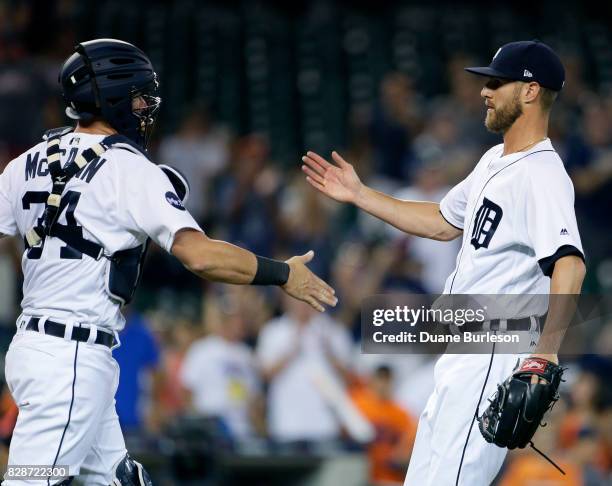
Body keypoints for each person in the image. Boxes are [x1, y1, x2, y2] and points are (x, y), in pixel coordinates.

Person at [0, 38, 336, 486]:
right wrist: (283, 273)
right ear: (114, 98)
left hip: (38, 349)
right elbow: (200, 255)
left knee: (121, 479)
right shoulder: (129, 167)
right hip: (71, 356)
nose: (145, 107)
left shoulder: (26, 162)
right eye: (138, 96)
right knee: (30, 481)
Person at [302, 40, 586, 485]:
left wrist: (544, 353)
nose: (484, 91)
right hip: (463, 347)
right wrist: (360, 195)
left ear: (530, 91)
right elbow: (439, 220)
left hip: (493, 347)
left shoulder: (542, 174)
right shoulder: (496, 159)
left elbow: (570, 264)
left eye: (496, 81)